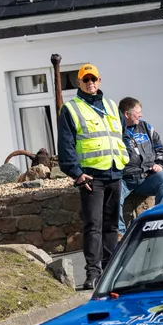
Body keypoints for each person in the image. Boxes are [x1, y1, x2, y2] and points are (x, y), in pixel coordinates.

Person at [57, 64, 129, 290]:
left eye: (93, 79)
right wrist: (76, 174)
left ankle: (109, 271)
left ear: (100, 80)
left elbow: (122, 135)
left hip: (114, 172)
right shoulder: (71, 109)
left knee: (111, 226)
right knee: (93, 225)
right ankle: (93, 274)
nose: (90, 83)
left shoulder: (110, 105)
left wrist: (125, 160)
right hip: (91, 177)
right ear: (79, 82)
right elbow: (66, 144)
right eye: (85, 80)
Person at [117, 97, 163, 235]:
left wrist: (159, 163)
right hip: (124, 179)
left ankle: (160, 223)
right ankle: (120, 234)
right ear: (127, 114)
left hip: (147, 177)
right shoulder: (114, 130)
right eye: (138, 112)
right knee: (113, 195)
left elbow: (161, 148)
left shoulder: (146, 127)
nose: (141, 115)